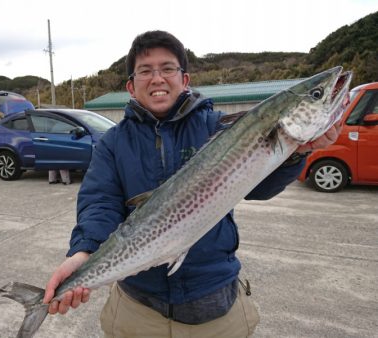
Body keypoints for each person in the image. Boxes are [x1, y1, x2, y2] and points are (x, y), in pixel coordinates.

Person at [43, 30, 342, 337]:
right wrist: (84, 253)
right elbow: (100, 202)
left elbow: (261, 188)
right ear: (131, 87)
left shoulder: (219, 128)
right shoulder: (113, 143)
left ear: (184, 80)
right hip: (138, 310)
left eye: (168, 68)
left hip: (215, 305)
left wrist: (295, 154)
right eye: (146, 71)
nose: (157, 78)